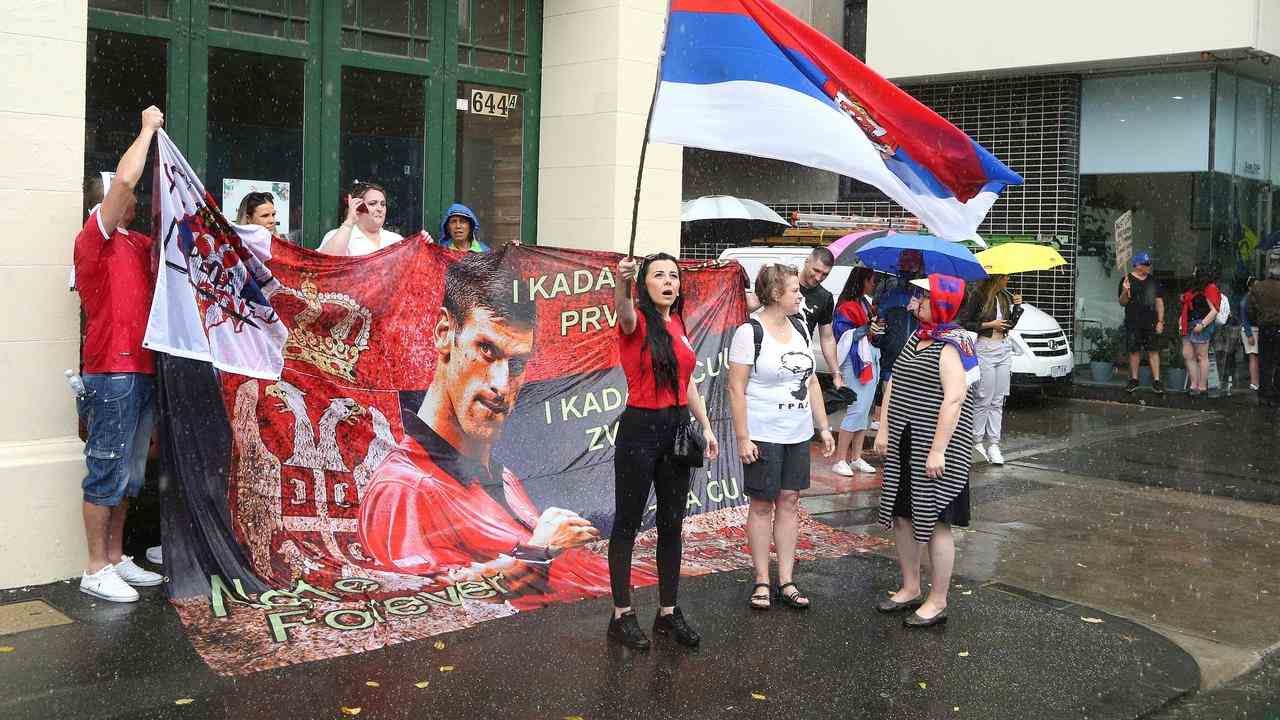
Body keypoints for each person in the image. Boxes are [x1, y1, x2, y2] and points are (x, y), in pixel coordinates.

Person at [359, 251, 618, 609]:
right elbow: (417, 606)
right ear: (444, 333)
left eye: (517, 364)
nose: (501, 383)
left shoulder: (500, 476)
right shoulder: (404, 488)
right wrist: (538, 550)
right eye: (487, 350)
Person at [72, 106, 166, 602]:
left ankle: (114, 558)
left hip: (143, 369)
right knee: (106, 467)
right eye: (120, 195)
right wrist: (148, 130)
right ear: (105, 201)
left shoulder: (137, 244)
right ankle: (93, 568)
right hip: (111, 372)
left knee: (129, 473)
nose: (131, 199)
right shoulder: (95, 240)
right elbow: (127, 181)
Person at [608, 253, 720, 650]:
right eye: (659, 275)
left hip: (676, 431)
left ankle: (668, 612)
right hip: (640, 429)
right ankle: (621, 615)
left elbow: (686, 381)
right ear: (644, 284)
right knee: (627, 523)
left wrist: (705, 427)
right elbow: (622, 310)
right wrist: (622, 283)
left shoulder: (678, 323)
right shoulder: (636, 320)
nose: (669, 281)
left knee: (672, 524)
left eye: (674, 275)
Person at [872, 273, 978, 628]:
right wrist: (884, 427)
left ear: (944, 304)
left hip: (937, 448)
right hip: (907, 442)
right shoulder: (919, 336)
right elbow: (893, 383)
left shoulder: (953, 344)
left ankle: (938, 600)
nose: (916, 300)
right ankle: (910, 587)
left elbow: (954, 399)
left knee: (935, 523)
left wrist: (937, 450)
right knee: (903, 515)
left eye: (925, 296)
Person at [728, 264, 835, 613]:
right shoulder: (750, 331)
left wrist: (823, 427)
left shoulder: (802, 325)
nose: (800, 296)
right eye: (794, 291)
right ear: (775, 294)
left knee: (790, 502)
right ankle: (762, 579)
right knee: (761, 505)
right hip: (763, 433)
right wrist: (743, 438)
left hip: (797, 432)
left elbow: (811, 381)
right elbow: (736, 388)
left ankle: (786, 579)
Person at [745, 247, 845, 391]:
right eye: (816, 270)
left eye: (825, 274)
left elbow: (827, 338)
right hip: (770, 354)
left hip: (800, 358)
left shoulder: (825, 297)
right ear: (807, 262)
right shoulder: (781, 281)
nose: (818, 278)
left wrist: (836, 372)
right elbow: (751, 305)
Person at [959, 274, 1021, 464]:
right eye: (1004, 277)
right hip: (985, 348)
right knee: (983, 397)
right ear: (996, 278)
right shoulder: (978, 296)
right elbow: (965, 323)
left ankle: (994, 443)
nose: (1007, 280)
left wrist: (1017, 308)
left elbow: (1009, 325)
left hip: (1003, 348)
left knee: (998, 398)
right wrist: (989, 324)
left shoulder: (1003, 297)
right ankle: (976, 441)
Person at [830, 267, 883, 476]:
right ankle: (841, 458)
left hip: (868, 357)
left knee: (864, 410)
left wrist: (874, 327)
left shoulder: (863, 303)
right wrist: (866, 329)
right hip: (856, 359)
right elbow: (841, 334)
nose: (874, 285)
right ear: (862, 281)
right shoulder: (847, 306)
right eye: (871, 281)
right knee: (855, 408)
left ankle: (856, 457)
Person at [1118, 252, 1166, 395]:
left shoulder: (1153, 281)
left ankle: (1157, 381)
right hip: (1133, 321)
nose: (1149, 266)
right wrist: (1125, 292)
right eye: (1146, 264)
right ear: (1137, 265)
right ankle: (1134, 379)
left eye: (1149, 264)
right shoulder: (1126, 280)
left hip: (1150, 321)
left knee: (1153, 350)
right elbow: (1122, 302)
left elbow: (1159, 302)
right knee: (1134, 351)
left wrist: (1160, 321)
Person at [318, 182, 403, 256]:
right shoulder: (338, 236)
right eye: (373, 204)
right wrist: (349, 222)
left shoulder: (396, 240)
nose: (379, 209)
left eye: (383, 204)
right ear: (358, 207)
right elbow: (328, 262)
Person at [1179, 266, 1220, 397]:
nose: (1193, 272)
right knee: (1188, 354)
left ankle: (1201, 386)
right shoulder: (1194, 286)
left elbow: (1214, 310)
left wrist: (1203, 324)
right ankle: (1194, 384)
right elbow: (1185, 306)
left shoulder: (1210, 288)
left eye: (1196, 270)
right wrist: (1181, 321)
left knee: (1202, 356)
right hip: (1189, 323)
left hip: (1200, 323)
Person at [1247, 250, 1280, 406]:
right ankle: (1276, 395)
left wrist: (1260, 319)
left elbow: (1250, 310)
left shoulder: (1258, 288)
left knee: (1265, 362)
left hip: (1265, 328)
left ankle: (1264, 394)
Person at [1240, 276, 1261, 392]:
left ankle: (1257, 382)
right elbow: (1244, 319)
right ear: (1250, 287)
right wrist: (1249, 334)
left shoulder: (1254, 299)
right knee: (1253, 357)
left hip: (1256, 329)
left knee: (1256, 357)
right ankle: (1254, 382)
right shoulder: (1246, 300)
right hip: (1251, 330)